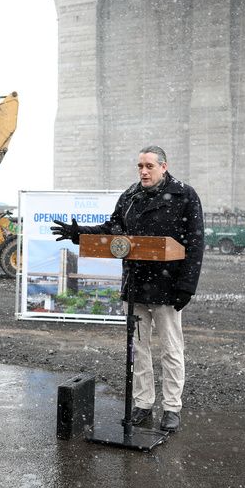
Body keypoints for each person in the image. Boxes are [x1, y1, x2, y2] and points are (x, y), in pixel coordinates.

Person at [51, 145, 204, 432]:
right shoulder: (131, 196)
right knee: (139, 349)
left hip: (168, 288)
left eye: (149, 166)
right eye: (140, 167)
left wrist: (187, 285)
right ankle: (143, 403)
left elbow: (195, 244)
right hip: (135, 285)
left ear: (164, 166)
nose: (143, 171)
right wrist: (79, 233)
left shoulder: (185, 195)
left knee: (171, 349)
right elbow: (112, 229)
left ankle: (172, 408)